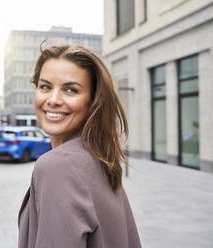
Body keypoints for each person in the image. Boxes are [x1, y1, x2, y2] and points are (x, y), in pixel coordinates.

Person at [18, 43, 141, 248]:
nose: (53, 100)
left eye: (70, 89)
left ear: (92, 101)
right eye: (45, 86)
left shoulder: (58, 167)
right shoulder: (99, 157)